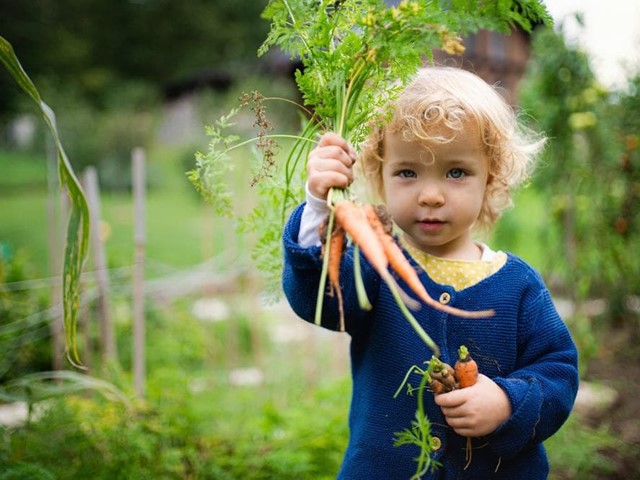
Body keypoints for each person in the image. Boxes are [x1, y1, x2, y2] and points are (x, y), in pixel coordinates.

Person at [281, 66, 579, 479]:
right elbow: (320, 303)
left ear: (490, 177)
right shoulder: (373, 267)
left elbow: (558, 371)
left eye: (456, 172)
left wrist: (508, 403)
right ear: (379, 176)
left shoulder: (520, 285)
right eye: (407, 172)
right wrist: (318, 207)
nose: (431, 195)